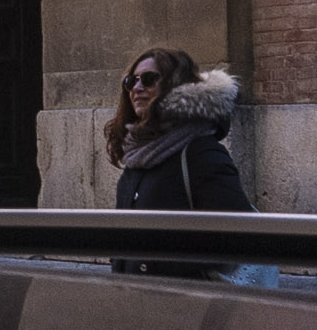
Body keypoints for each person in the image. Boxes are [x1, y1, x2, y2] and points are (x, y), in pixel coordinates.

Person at [103, 48, 246, 214]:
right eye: (131, 81)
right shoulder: (137, 154)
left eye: (148, 79)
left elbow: (237, 231)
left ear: (175, 85)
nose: (137, 87)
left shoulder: (202, 156)